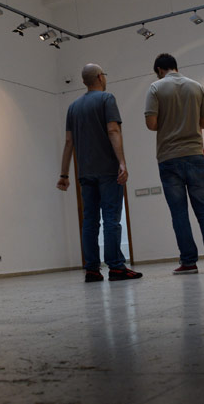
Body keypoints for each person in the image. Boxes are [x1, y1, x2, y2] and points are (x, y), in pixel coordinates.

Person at [144, 54, 204, 274]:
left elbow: (151, 124)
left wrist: (168, 120)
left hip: (168, 157)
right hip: (195, 154)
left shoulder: (155, 88)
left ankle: (189, 262)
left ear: (159, 70)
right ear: (175, 66)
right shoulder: (197, 87)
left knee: (179, 213)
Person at [58, 64, 143, 283]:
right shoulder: (107, 99)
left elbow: (68, 142)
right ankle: (116, 267)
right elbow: (113, 130)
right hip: (108, 170)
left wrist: (64, 174)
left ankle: (92, 270)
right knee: (111, 219)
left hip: (85, 173)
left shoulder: (73, 107)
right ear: (99, 77)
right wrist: (122, 162)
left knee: (90, 221)